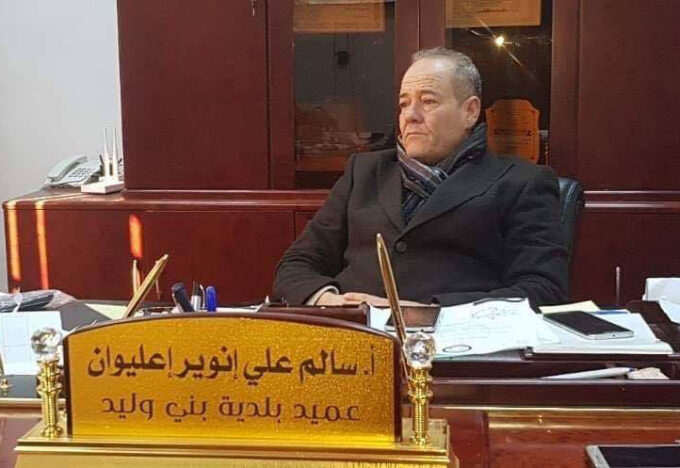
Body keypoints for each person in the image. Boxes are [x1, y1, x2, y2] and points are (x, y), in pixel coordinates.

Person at [273, 48, 568, 308]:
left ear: (470, 111)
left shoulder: (521, 182)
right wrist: (329, 301)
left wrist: (423, 313)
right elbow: (296, 264)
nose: (410, 115)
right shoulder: (363, 172)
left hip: (452, 344)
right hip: (354, 337)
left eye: (427, 101)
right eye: (404, 104)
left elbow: (542, 290)